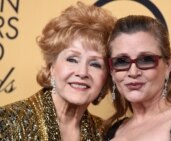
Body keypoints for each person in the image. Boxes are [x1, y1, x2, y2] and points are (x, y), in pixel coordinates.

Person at [0, 1, 115, 140]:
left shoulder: (104, 133)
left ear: (106, 77)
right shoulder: (8, 122)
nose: (82, 72)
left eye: (95, 64)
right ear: (52, 66)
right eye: (72, 59)